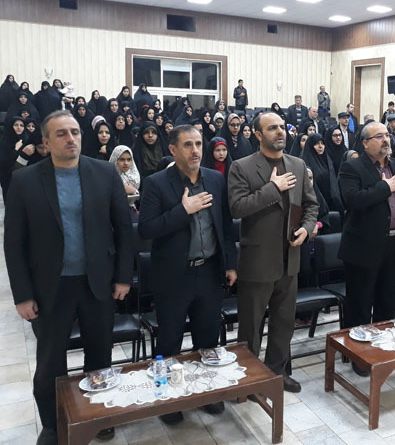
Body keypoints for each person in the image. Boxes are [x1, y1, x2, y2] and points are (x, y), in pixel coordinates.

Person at [4, 110, 132, 443]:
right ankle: (53, 423)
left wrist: (123, 277)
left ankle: (97, 414)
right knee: (50, 362)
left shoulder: (104, 173)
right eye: (61, 133)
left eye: (74, 132)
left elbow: (123, 229)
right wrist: (23, 295)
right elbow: (14, 242)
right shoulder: (25, 180)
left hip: (97, 282)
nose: (70, 138)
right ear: (46, 142)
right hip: (50, 286)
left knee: (100, 355)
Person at [138, 125, 237, 422]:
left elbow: (225, 225)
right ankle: (168, 402)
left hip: (209, 271)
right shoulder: (156, 183)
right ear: (172, 149)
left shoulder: (215, 179)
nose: (195, 150)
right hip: (174, 276)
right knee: (169, 340)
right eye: (187, 145)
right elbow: (146, 229)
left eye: (198, 144)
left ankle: (206, 394)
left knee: (207, 338)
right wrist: (184, 210)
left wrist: (230, 263)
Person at [228, 112, 318, 393]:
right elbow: (237, 208)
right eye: (272, 128)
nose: (280, 132)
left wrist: (307, 228)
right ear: (257, 134)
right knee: (251, 327)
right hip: (258, 261)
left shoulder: (298, 165)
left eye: (281, 127)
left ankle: (277, 373)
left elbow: (311, 205)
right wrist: (272, 188)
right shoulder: (241, 167)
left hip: (290, 258)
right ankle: (250, 380)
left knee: (284, 323)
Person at [337, 121, 395, 374]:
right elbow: (352, 200)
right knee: (360, 304)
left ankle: (383, 350)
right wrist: (384, 188)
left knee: (387, 301)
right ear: (365, 143)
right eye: (379, 136)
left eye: (387, 135)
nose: (386, 140)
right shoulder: (352, 167)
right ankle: (360, 355)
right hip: (363, 247)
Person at [303, 133, 343, 212]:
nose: (320, 146)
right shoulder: (305, 163)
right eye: (316, 144)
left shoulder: (327, 160)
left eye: (322, 143)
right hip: (315, 205)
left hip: (330, 203)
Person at [0, 117, 30, 200]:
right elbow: (4, 162)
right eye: (16, 125)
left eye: (21, 125)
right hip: (7, 177)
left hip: (24, 176)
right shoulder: (4, 142)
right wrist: (16, 149)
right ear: (11, 126)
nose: (19, 127)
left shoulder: (26, 139)